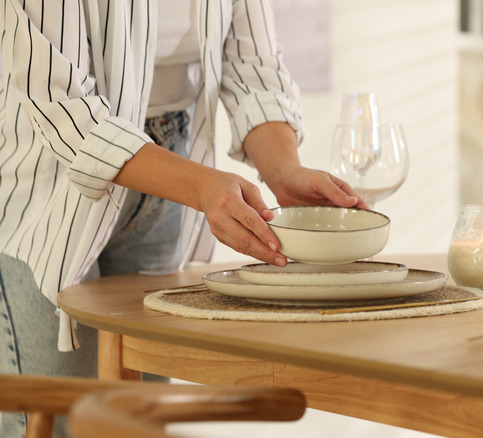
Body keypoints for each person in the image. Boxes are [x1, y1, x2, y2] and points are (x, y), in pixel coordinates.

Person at [0, 1, 366, 436]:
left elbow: (253, 68)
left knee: (141, 418)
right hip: (52, 187)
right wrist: (200, 187)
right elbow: (58, 101)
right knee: (62, 418)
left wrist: (284, 170)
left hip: (171, 174)